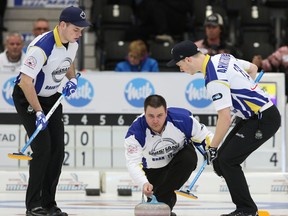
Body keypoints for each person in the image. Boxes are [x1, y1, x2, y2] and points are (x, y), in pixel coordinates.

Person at [167, 40, 281, 216]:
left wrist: (212, 147)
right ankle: (245, 206)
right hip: (252, 116)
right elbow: (252, 68)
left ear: (188, 59)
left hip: (263, 118)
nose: (180, 69)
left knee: (227, 160)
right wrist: (246, 93)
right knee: (220, 163)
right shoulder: (222, 57)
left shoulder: (213, 79)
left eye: (179, 64)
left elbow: (225, 118)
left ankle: (247, 210)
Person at [12, 6, 90, 216]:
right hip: (28, 97)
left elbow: (68, 61)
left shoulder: (73, 41)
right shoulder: (41, 47)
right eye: (76, 29)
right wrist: (37, 111)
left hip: (51, 98)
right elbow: (26, 82)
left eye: (82, 29)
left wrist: (71, 79)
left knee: (57, 152)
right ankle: (33, 205)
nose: (80, 33)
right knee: (43, 149)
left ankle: (48, 203)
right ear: (63, 25)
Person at [124, 94, 214, 216]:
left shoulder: (182, 119)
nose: (155, 121)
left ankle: (161, 204)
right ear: (144, 113)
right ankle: (166, 211)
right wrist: (144, 182)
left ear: (166, 112)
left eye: (159, 115)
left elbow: (206, 136)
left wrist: (212, 149)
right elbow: (133, 163)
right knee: (159, 202)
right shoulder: (135, 133)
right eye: (151, 116)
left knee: (188, 158)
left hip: (179, 160)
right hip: (153, 169)